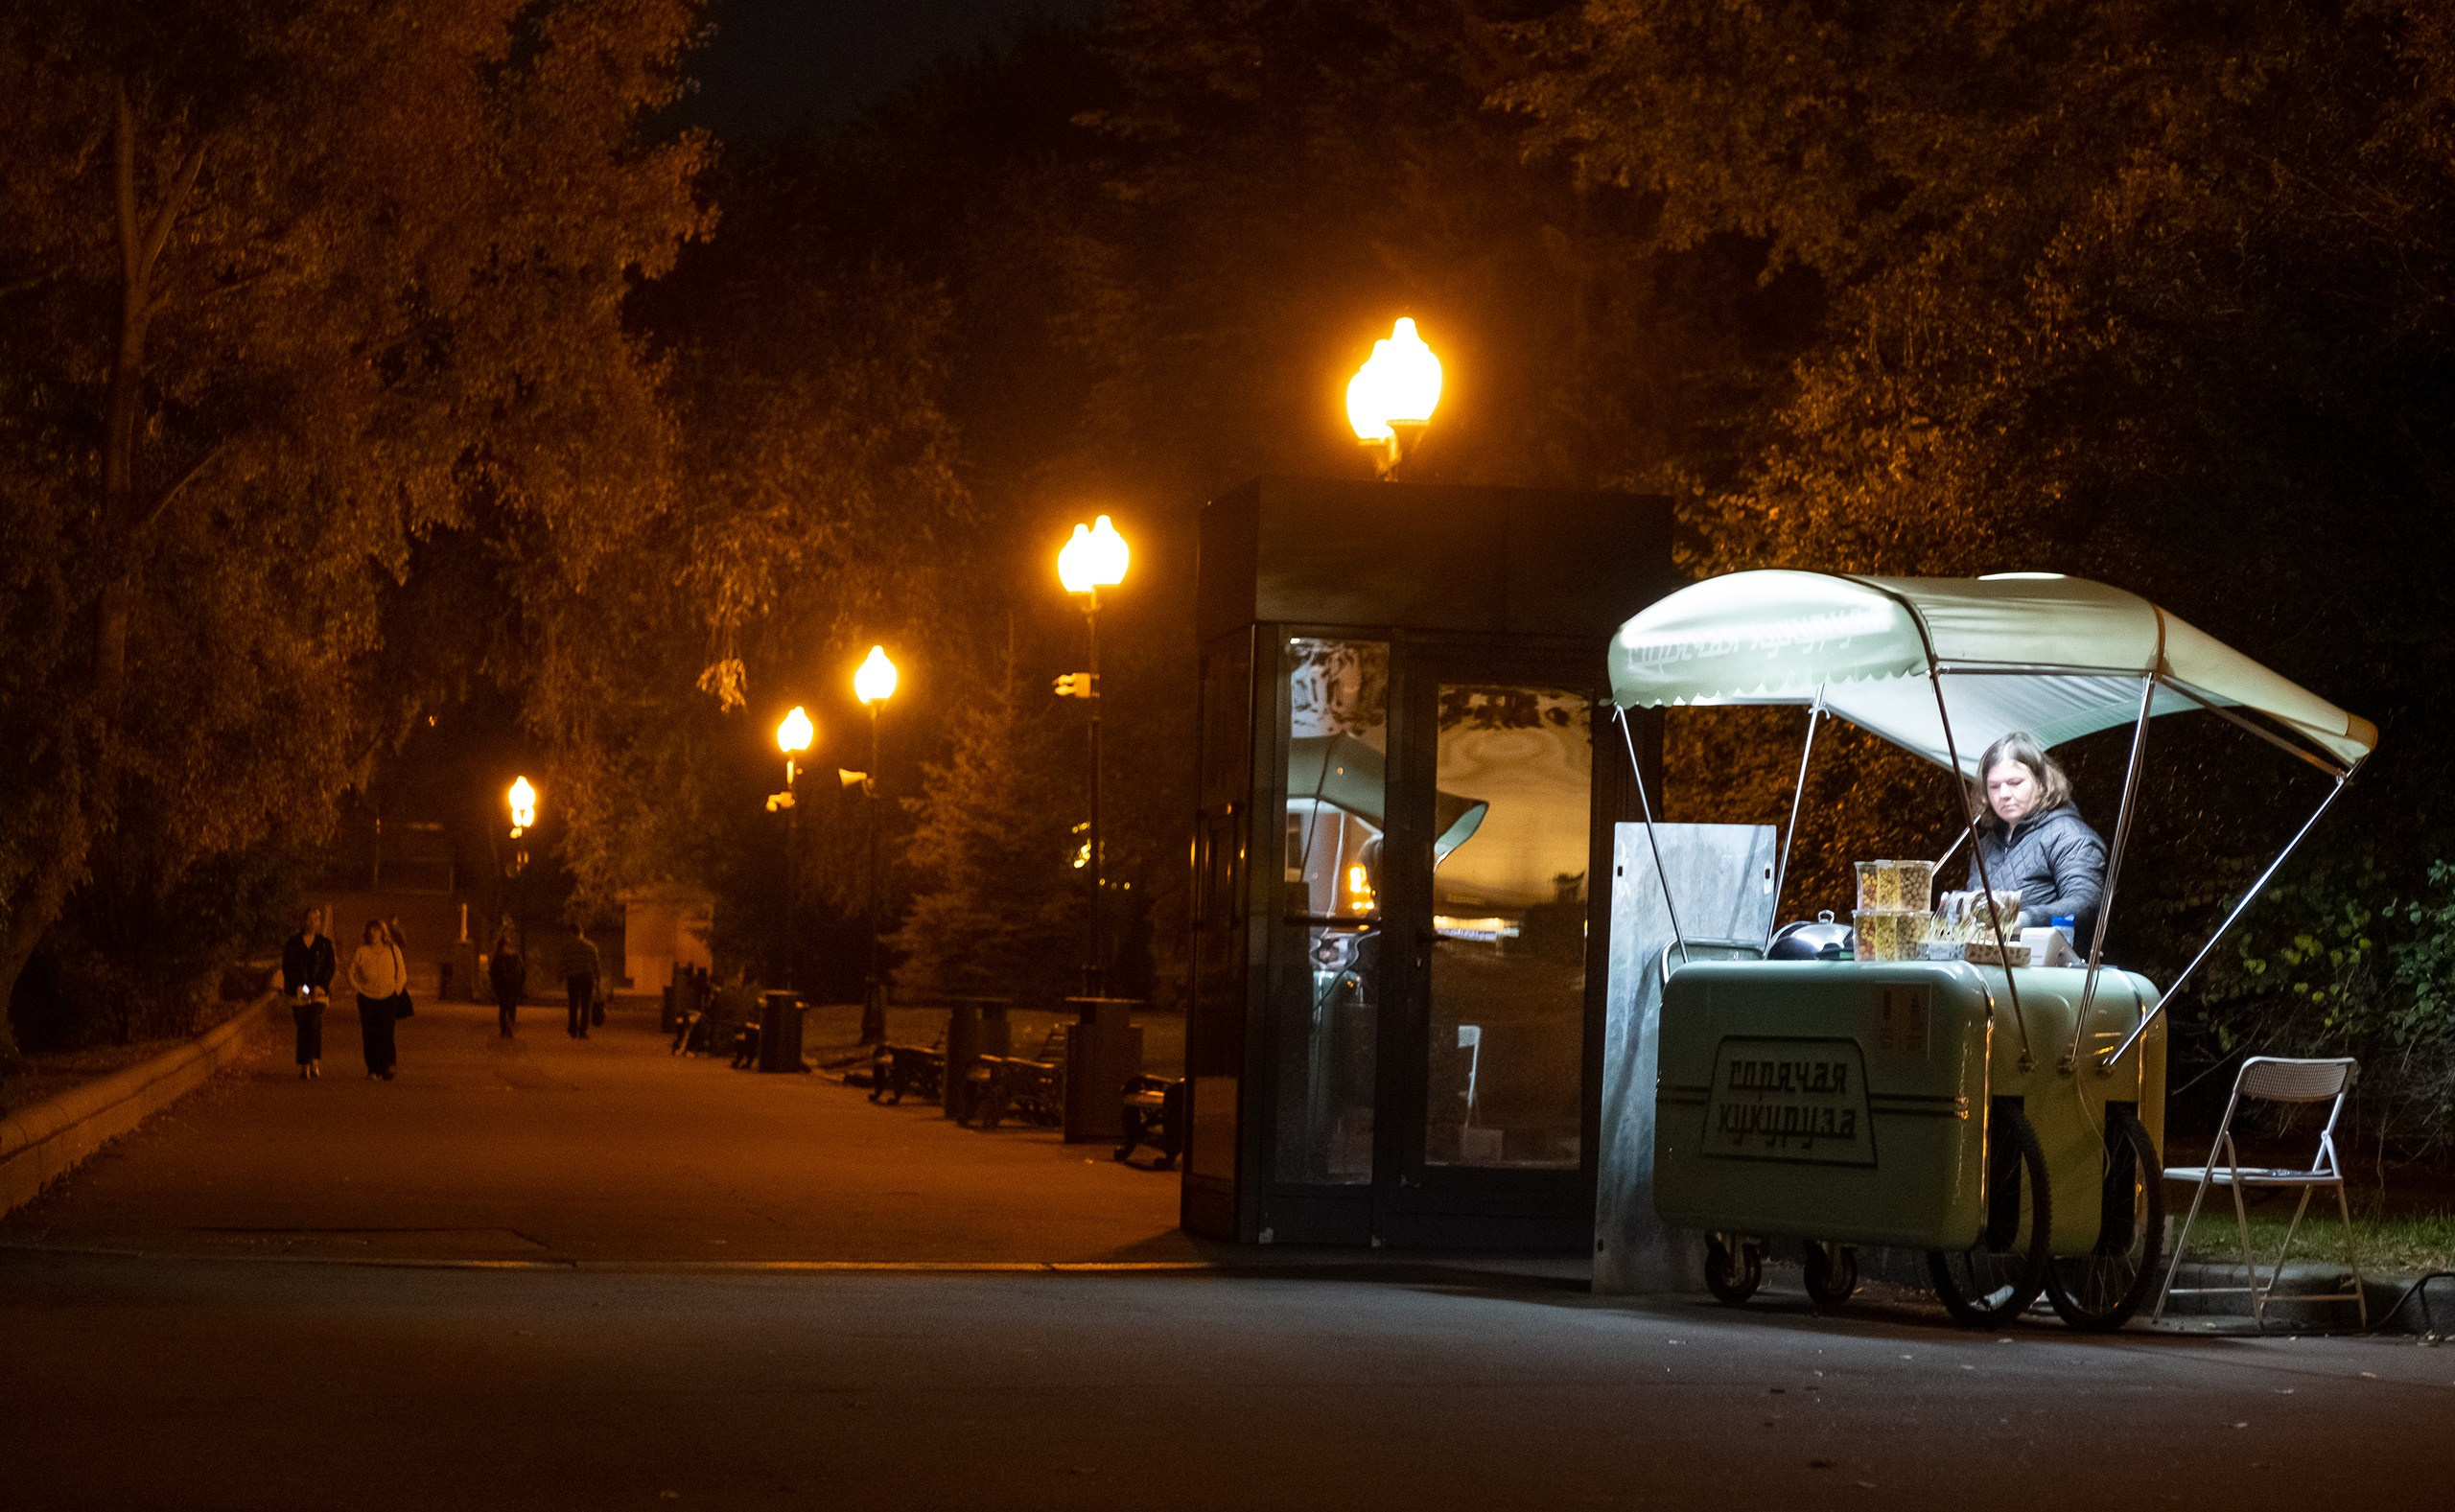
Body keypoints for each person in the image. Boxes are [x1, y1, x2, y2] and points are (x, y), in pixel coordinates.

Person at [1967, 731, 2108, 938]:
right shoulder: (1986, 845)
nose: (2003, 794)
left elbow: (2086, 902)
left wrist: (2026, 920)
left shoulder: (2069, 835)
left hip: (2047, 957)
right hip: (1986, 957)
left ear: (2041, 784)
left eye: (2015, 783)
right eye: (1994, 786)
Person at [279, 907, 337, 1079]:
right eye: (309, 919)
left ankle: (314, 1061)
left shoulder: (325, 944)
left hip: (319, 992)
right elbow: (288, 967)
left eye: (316, 919)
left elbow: (329, 967)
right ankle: (304, 1063)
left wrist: (321, 986)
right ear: (303, 921)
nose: (312, 923)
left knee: (314, 1022)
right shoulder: (294, 943)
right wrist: (302, 987)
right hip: (299, 991)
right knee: (302, 1025)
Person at [348, 919, 405, 1080]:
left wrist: (396, 991)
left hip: (388, 997)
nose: (373, 933)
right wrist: (358, 988)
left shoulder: (393, 949)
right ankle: (373, 1068)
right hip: (367, 997)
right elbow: (350, 971)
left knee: (387, 1032)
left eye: (377, 930)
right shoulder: (362, 951)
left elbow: (401, 972)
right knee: (370, 1033)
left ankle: (388, 1065)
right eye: (370, 930)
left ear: (383, 933)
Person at [559, 921, 602, 1039]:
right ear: (581, 932)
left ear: (571, 933)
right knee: (585, 1005)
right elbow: (596, 964)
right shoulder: (591, 947)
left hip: (573, 977)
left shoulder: (567, 948)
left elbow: (563, 963)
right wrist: (598, 978)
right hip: (587, 978)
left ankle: (573, 1028)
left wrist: (561, 975)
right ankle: (582, 1030)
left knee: (573, 1004)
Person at [488, 923, 526, 1038]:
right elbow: (523, 971)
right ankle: (510, 1024)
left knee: (503, 1006)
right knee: (512, 1006)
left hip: (502, 986)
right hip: (514, 984)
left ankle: (504, 1028)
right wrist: (520, 984)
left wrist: (496, 986)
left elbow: (493, 973)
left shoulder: (498, 957)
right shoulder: (515, 956)